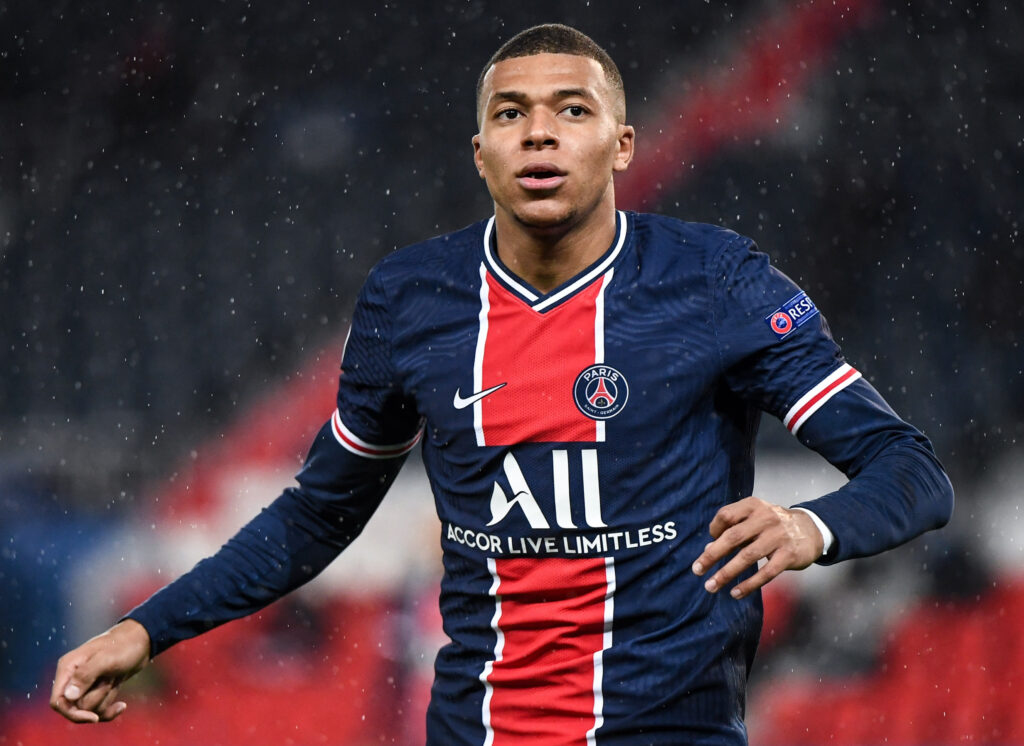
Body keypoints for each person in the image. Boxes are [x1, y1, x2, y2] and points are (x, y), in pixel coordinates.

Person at [51, 23, 953, 744]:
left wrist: (808, 526)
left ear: (623, 145)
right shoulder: (412, 300)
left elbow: (911, 471)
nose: (539, 132)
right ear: (481, 151)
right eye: (512, 113)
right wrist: (147, 628)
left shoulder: (716, 283)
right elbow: (318, 514)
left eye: (572, 109)